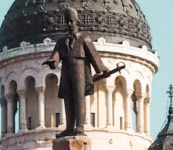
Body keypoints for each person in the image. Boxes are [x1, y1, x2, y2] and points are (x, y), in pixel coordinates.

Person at [43, 8, 122, 136]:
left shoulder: (84, 38)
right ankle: (69, 128)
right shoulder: (61, 42)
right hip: (66, 72)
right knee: (68, 99)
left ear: (76, 21)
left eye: (71, 21)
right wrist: (51, 62)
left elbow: (93, 56)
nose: (69, 24)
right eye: (67, 21)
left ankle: (79, 126)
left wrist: (101, 69)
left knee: (79, 97)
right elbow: (55, 58)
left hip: (80, 71)